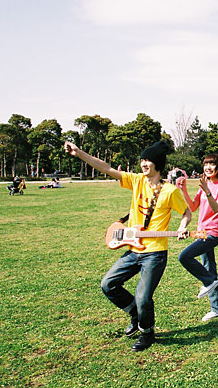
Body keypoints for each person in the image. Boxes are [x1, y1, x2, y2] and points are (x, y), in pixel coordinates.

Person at [64, 140, 192, 352]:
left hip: (155, 253)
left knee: (143, 297)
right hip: (133, 249)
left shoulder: (170, 191)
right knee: (108, 284)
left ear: (158, 163)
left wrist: (182, 226)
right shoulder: (137, 181)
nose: (143, 164)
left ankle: (147, 333)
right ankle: (135, 314)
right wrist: (79, 153)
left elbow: (186, 212)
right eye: (142, 160)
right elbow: (106, 168)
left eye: (148, 160)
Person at [176, 154, 218, 322]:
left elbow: (216, 209)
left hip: (213, 233)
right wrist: (183, 190)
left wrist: (207, 191)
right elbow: (193, 207)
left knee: (184, 256)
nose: (208, 167)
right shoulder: (205, 184)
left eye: (212, 164)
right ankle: (216, 308)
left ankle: (208, 281)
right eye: (206, 164)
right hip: (201, 232)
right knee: (209, 266)